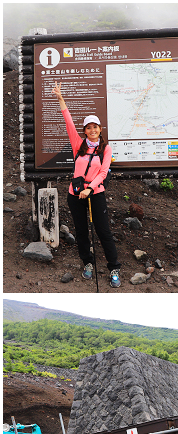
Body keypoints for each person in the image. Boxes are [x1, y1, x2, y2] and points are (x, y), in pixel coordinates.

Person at [51, 82, 120, 288]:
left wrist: (90, 188)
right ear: (85, 130)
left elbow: (103, 172)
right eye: (88, 128)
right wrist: (61, 98)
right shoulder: (78, 145)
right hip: (75, 194)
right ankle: (87, 263)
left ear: (100, 130)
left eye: (95, 127)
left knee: (103, 231)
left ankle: (114, 267)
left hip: (95, 192)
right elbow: (69, 122)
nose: (92, 130)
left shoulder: (105, 149)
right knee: (81, 231)